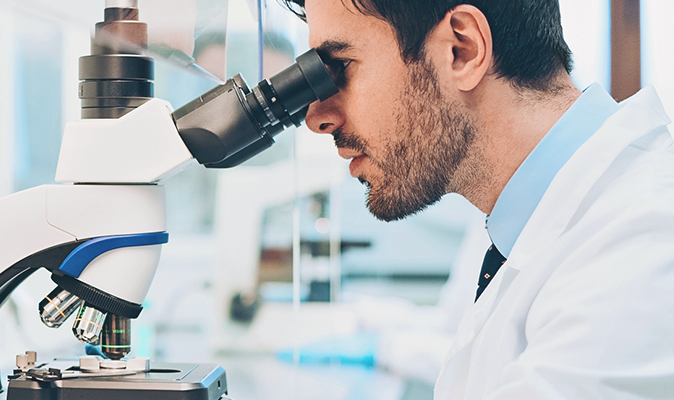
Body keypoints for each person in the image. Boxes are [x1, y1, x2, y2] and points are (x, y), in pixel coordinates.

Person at [282, 0, 674, 398]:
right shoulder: (528, 222)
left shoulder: (642, 247)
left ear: (462, 50)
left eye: (341, 67)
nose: (317, 116)